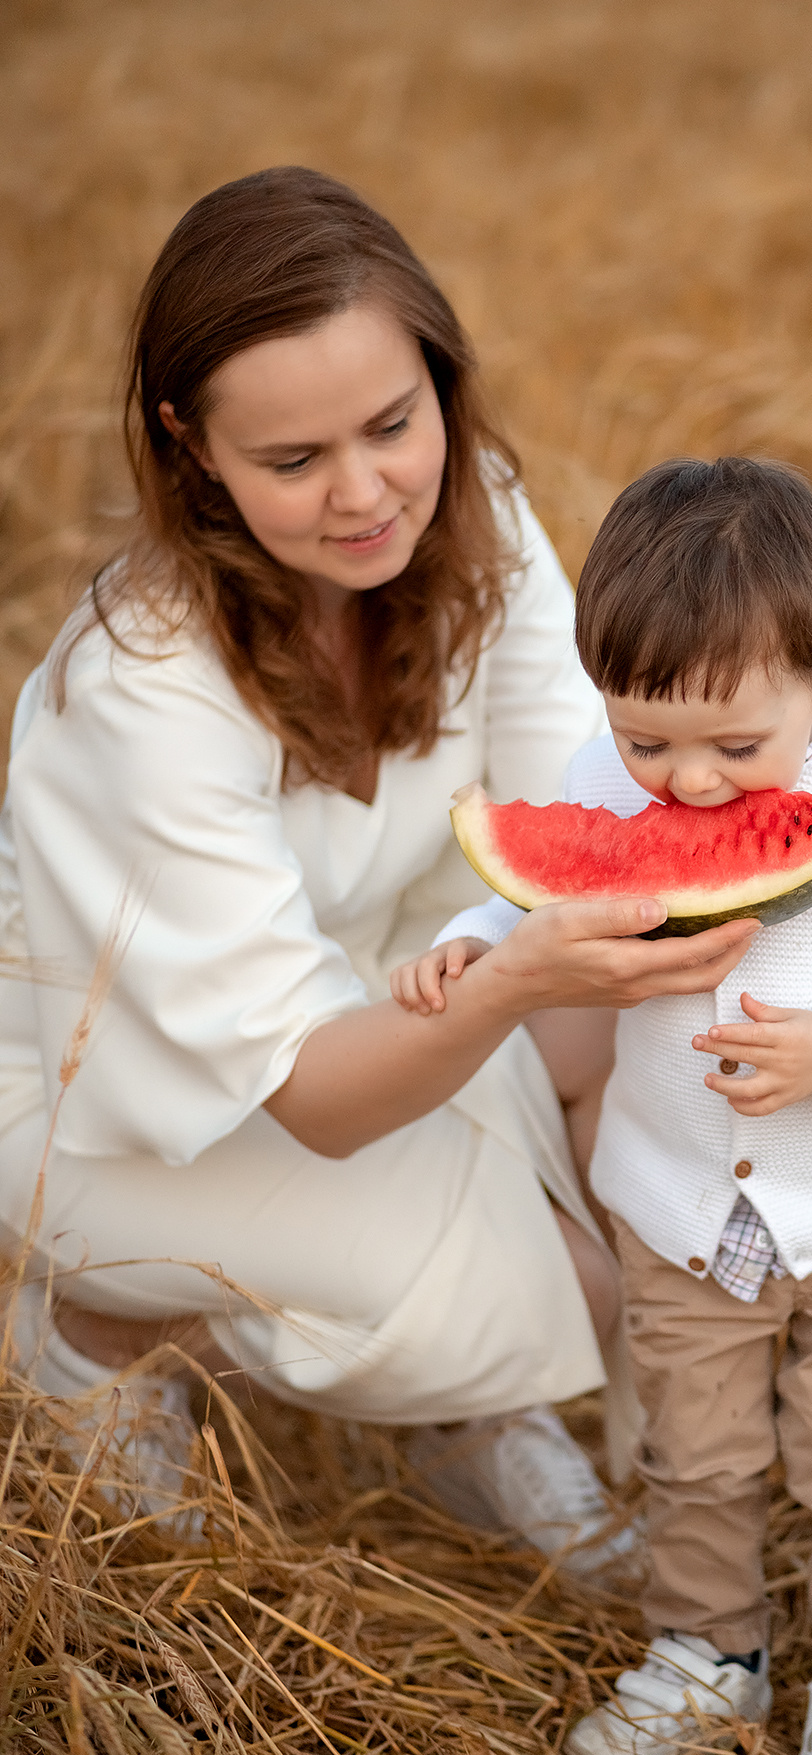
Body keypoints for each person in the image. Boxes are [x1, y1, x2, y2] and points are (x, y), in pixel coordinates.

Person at [0, 171, 760, 1564]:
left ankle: (480, 1400)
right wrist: (531, 1006)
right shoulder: (142, 685)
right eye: (292, 463)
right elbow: (317, 1099)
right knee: (573, 1283)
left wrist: (623, 1125)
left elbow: (573, 832)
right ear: (189, 447)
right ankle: (97, 1326)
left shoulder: (484, 525)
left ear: (440, 382)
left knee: (624, 1199)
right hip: (108, 1089)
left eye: (394, 426)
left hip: (398, 986)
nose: (364, 496)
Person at [397, 457, 812, 1755]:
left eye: (737, 750)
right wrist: (461, 952)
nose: (683, 785)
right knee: (691, 1455)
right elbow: (534, 904)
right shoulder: (608, 775)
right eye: (645, 743)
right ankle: (710, 1652)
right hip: (676, 1200)